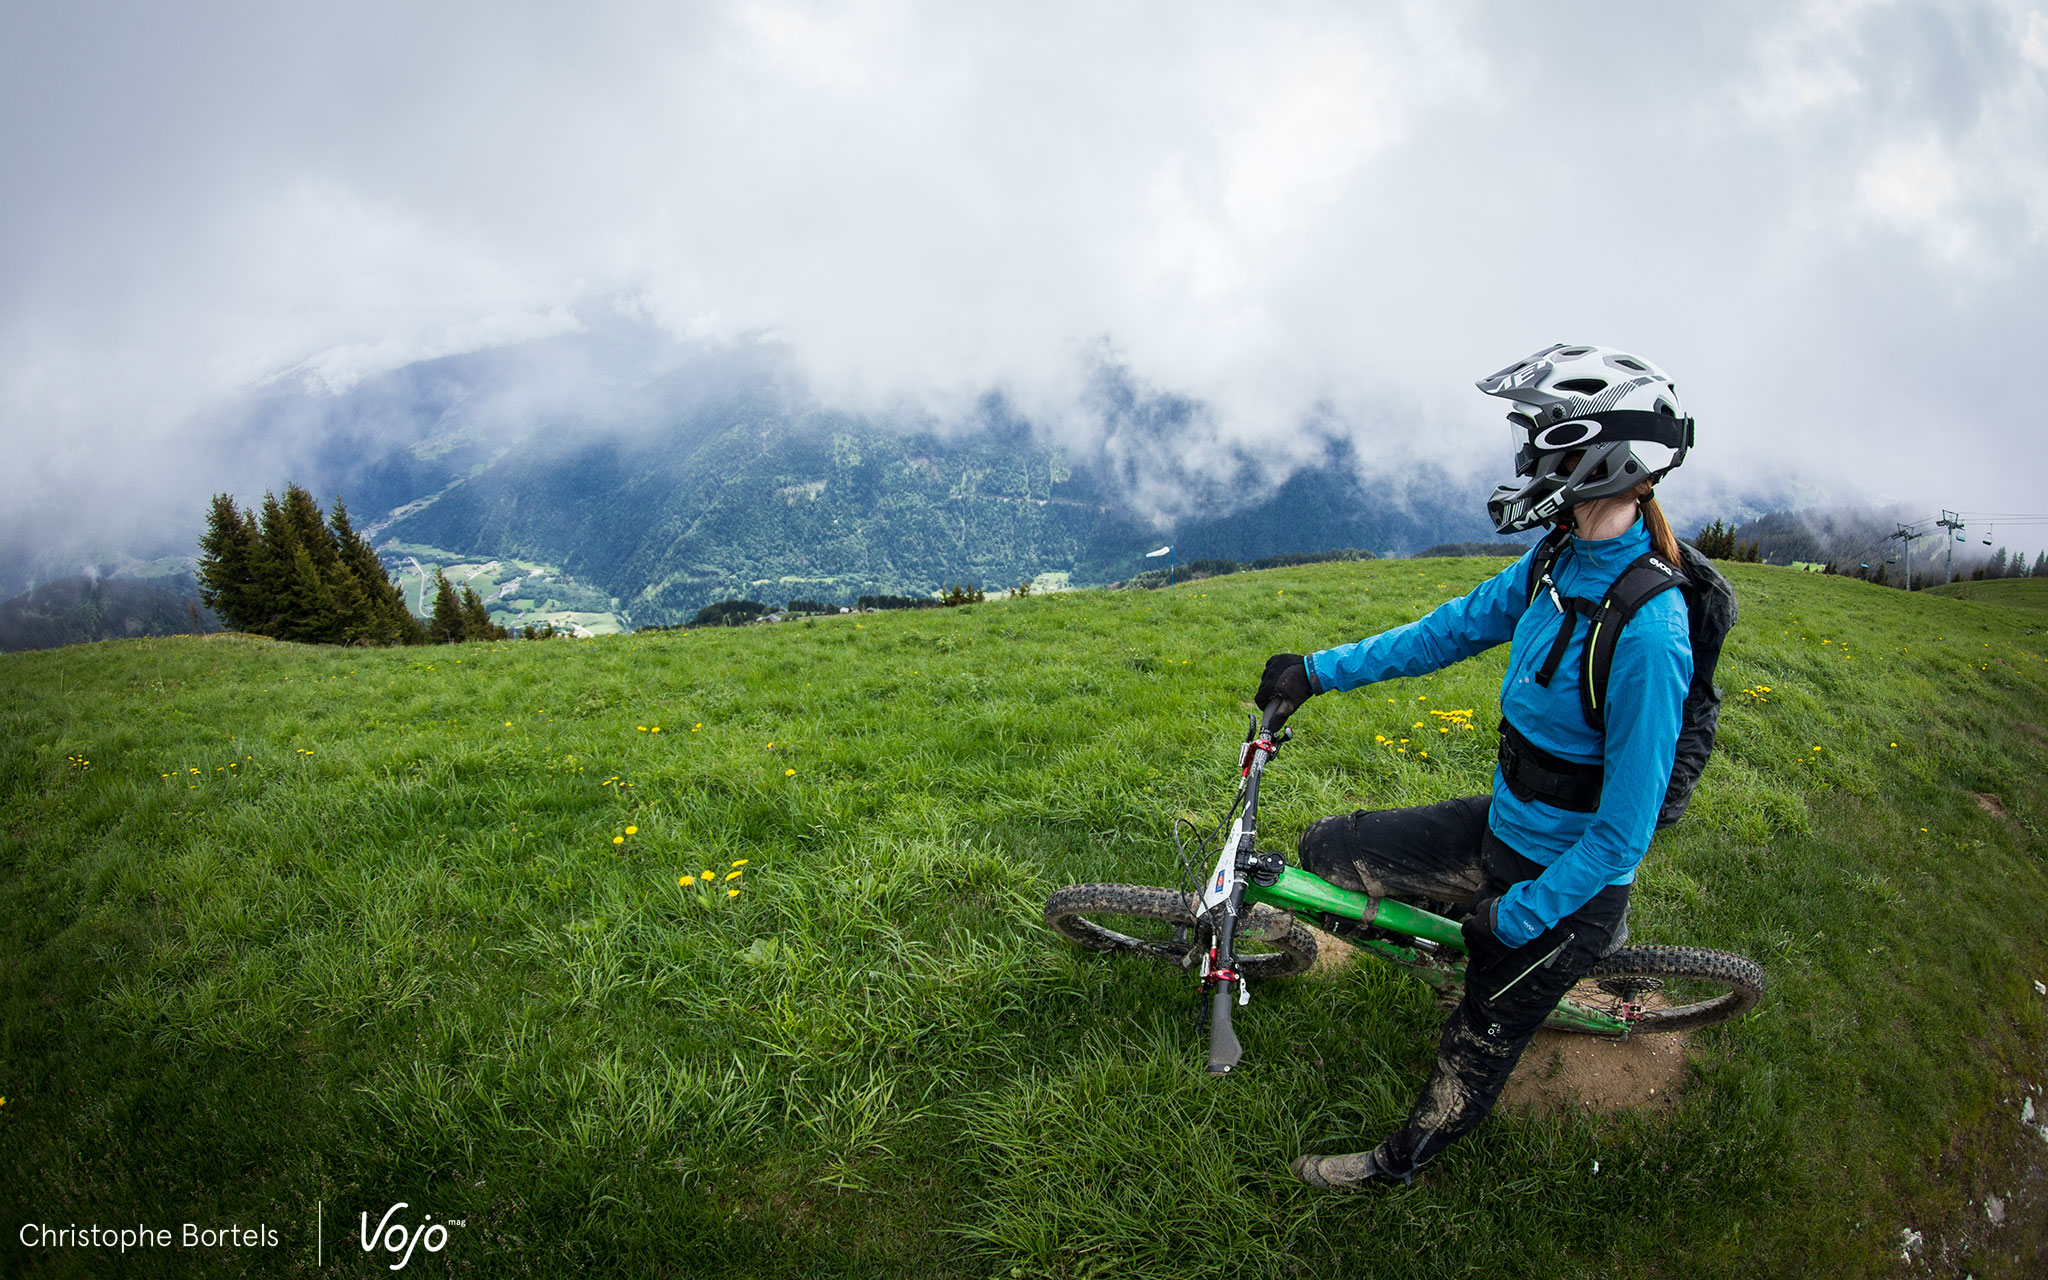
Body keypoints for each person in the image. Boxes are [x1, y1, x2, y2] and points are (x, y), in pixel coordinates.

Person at [1254, 343, 1698, 1189]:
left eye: (1545, 443)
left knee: (1471, 1048)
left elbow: (1622, 836)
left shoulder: (1649, 632)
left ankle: (1398, 1164)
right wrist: (1314, 671)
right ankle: (1454, 942)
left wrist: (1524, 915)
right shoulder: (1554, 561)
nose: (1528, 461)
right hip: (1504, 826)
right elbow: (1444, 633)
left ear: (1604, 458)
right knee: (1328, 849)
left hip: (1567, 885)